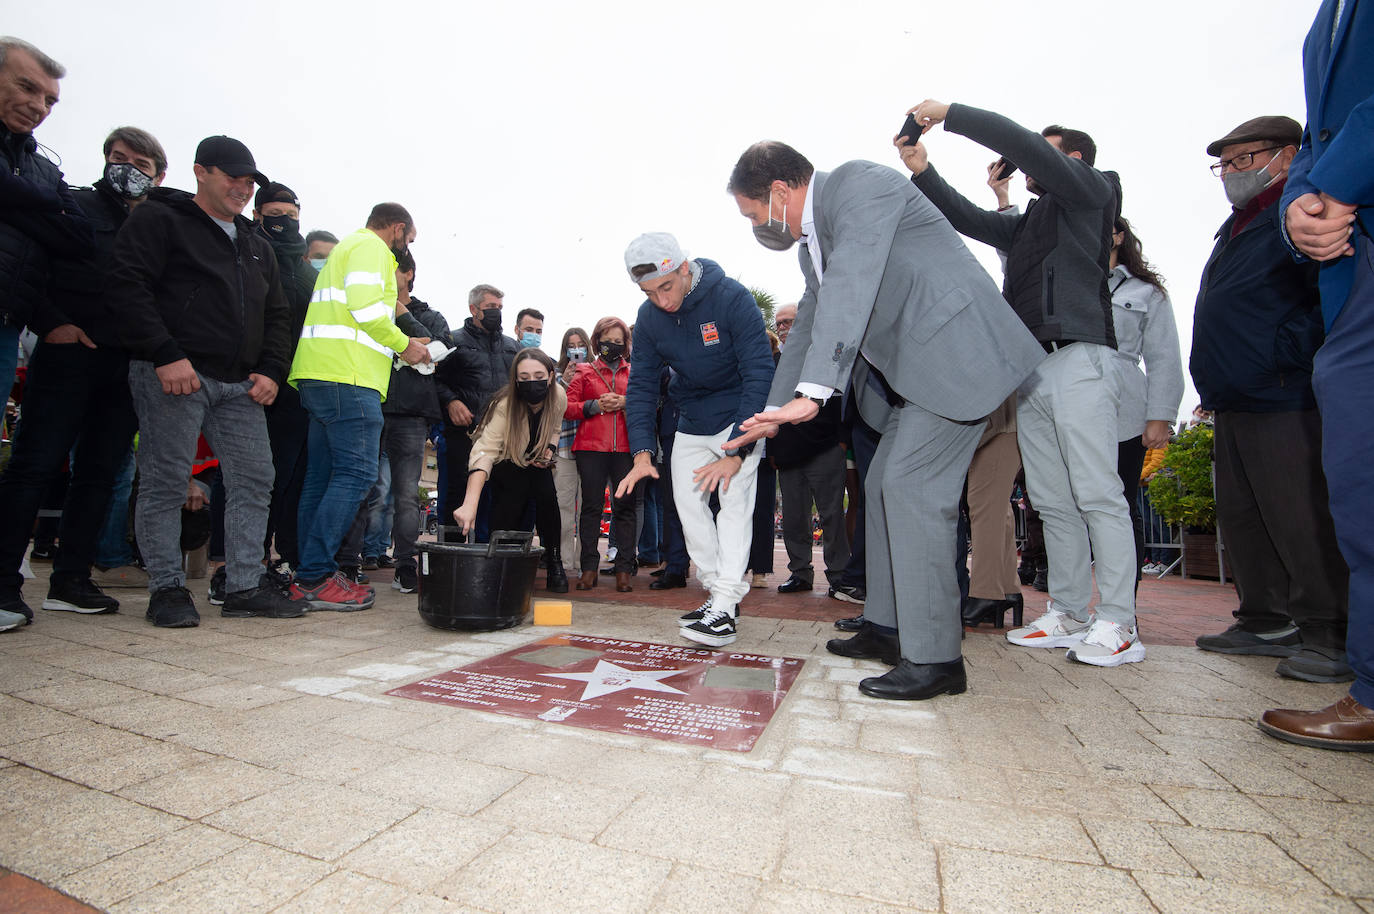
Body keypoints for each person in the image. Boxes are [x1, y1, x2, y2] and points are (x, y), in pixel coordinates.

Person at [725, 141, 1043, 698]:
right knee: (879, 485)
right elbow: (809, 327)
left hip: (956, 357)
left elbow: (852, 284)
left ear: (779, 192)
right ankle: (888, 625)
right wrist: (773, 413)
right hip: (917, 377)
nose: (758, 225)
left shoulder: (858, 184)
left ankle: (936, 658)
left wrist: (817, 391)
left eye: (753, 213)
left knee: (909, 487)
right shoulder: (812, 246)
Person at [901, 102, 1141, 668]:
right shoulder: (1032, 219)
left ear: (1074, 158)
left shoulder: (1094, 191)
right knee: (1053, 501)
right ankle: (1068, 612)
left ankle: (1120, 624)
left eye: (1046, 149)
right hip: (1030, 371)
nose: (1028, 159)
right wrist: (922, 169)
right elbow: (969, 219)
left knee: (1098, 495)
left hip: (1081, 359)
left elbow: (1032, 150)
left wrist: (952, 114)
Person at [111, 135, 296, 627]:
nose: (242, 188)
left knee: (256, 480)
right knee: (166, 482)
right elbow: (127, 284)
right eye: (232, 176)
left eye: (249, 181)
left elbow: (277, 316)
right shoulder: (159, 218)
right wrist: (165, 354)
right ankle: (167, 588)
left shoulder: (259, 245)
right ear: (200, 171)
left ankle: (242, 587)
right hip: (175, 375)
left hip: (240, 385)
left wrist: (273, 371)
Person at [1188, 116, 1348, 681]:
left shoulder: (1298, 213)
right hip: (1232, 393)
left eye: (1244, 160)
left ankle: (1330, 632)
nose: (1232, 173)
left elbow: (1326, 298)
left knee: (1299, 514)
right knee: (1244, 515)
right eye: (1225, 165)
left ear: (1285, 155)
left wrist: (1288, 351)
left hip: (1283, 390)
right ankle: (1264, 618)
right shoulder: (1236, 226)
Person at [1261, 0, 1374, 752]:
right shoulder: (1325, 19)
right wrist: (1299, 206)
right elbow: (1320, 130)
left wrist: (1331, 180)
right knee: (1361, 485)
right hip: (1351, 262)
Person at [0, 126, 162, 626]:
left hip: (125, 363)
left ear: (157, 176)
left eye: (141, 164)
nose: (128, 170)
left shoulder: (158, 226)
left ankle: (71, 579)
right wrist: (51, 323)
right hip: (69, 354)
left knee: (100, 473)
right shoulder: (71, 205)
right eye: (119, 158)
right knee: (35, 465)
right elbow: (34, 264)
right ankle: (4, 584)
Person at [616, 233, 774, 647]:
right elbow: (642, 387)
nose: (661, 300)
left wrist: (739, 448)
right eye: (649, 293)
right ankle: (718, 593)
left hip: (740, 415)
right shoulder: (649, 319)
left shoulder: (731, 298)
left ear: (684, 268)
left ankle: (723, 607)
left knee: (734, 507)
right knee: (688, 507)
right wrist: (642, 452)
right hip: (691, 418)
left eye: (666, 287)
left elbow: (759, 370)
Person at [285, 202, 432, 612]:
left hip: (320, 373)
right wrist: (408, 346)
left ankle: (307, 571)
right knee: (357, 474)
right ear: (398, 229)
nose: (407, 248)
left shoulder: (347, 248)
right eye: (410, 240)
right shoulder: (372, 249)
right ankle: (314, 575)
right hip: (349, 379)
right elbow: (367, 311)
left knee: (322, 476)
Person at [0, 37, 91, 420]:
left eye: (50, 100)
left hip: (9, 324)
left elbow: (79, 237)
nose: (38, 107)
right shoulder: (47, 182)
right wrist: (46, 204)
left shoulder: (45, 169)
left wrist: (13, 202)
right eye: (26, 87)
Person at [1106, 216, 1182, 586]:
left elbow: (1164, 355)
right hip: (1069, 407)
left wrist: (1161, 415)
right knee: (1068, 508)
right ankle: (1069, 609)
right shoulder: (1070, 281)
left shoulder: (1147, 292)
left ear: (1118, 236)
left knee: (1120, 504)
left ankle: (1123, 608)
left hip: (1124, 410)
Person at [453, 348, 568, 592]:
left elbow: (555, 428)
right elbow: (484, 452)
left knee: (548, 502)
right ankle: (502, 569)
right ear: (515, 379)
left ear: (550, 376)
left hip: (536, 461)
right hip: (506, 462)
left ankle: (555, 562)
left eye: (538, 375)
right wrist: (469, 503)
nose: (532, 382)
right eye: (524, 378)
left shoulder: (559, 395)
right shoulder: (505, 405)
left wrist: (547, 451)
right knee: (508, 513)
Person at [381, 250, 451, 593]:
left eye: (390, 268)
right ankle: (348, 562)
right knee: (367, 489)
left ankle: (405, 564)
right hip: (369, 405)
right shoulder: (366, 306)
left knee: (406, 495)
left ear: (408, 273)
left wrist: (401, 318)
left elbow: (438, 352)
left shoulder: (431, 315)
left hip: (410, 413)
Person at [769, 303, 851, 596]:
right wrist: (773, 450)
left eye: (789, 321)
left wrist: (842, 440)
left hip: (826, 448)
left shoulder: (825, 355)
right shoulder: (776, 363)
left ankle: (839, 574)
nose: (783, 327)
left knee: (831, 515)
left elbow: (843, 397)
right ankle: (799, 573)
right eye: (779, 323)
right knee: (793, 517)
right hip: (789, 453)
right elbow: (769, 406)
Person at [435, 284, 520, 533]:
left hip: (502, 436)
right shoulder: (452, 340)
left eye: (500, 307)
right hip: (463, 432)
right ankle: (452, 555)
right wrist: (451, 401)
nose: (497, 312)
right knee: (458, 494)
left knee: (500, 498)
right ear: (474, 308)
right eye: (491, 307)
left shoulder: (512, 347)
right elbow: (433, 380)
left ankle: (492, 557)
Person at [566, 317, 637, 592]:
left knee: (625, 509)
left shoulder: (634, 372)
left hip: (626, 449)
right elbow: (568, 407)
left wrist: (625, 402)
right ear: (597, 341)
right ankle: (588, 568)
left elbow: (648, 402)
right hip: (590, 448)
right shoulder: (583, 371)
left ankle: (624, 570)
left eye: (619, 341)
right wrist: (593, 406)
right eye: (608, 340)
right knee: (591, 508)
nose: (613, 346)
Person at [553, 327, 589, 563]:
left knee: (587, 511)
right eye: (571, 345)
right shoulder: (555, 375)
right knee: (563, 508)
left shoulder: (596, 372)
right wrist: (565, 381)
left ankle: (584, 561)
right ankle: (564, 561)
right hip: (564, 449)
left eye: (580, 345)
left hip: (590, 449)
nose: (576, 350)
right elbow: (554, 408)